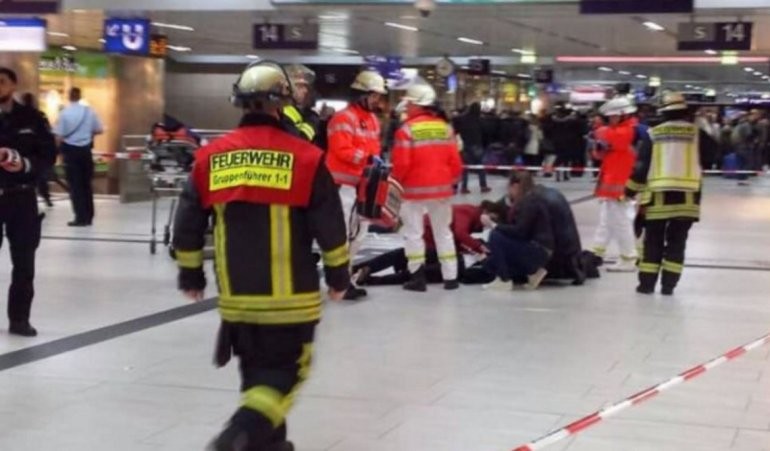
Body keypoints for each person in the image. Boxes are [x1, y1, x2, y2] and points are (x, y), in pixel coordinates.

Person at [171, 61, 350, 451]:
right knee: (283, 378)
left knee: (256, 376)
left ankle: (271, 444)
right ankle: (235, 439)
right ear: (282, 103)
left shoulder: (210, 158)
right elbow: (331, 228)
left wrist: (191, 276)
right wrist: (339, 277)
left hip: (237, 304)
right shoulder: (304, 158)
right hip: (291, 303)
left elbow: (185, 225)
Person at [626, 92, 703, 296]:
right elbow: (714, 154)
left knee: (653, 241)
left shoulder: (653, 134)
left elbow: (641, 167)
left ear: (663, 113)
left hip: (658, 198)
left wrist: (630, 190)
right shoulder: (696, 133)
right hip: (688, 198)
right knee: (677, 242)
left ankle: (646, 285)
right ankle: (669, 286)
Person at [391, 79, 463, 292]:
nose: (407, 107)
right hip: (441, 191)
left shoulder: (406, 130)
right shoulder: (446, 129)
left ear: (417, 105)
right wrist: (449, 181)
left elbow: (401, 164)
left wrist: (396, 183)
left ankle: (417, 278)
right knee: (444, 232)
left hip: (412, 192)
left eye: (409, 103)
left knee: (413, 233)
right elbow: (456, 163)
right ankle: (451, 278)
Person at [0, 68, 56, 337]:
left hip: (21, 197)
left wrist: (24, 164)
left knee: (24, 262)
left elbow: (48, 157)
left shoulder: (33, 118)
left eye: (2, 82)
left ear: (13, 85)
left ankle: (19, 318)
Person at [325, 69, 387, 300]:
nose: (376, 100)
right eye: (373, 96)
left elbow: (375, 149)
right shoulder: (343, 118)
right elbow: (341, 150)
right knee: (344, 235)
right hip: (344, 187)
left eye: (378, 96)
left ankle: (344, 279)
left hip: (363, 186)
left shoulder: (371, 120)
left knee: (359, 234)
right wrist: (367, 158)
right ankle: (339, 282)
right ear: (361, 94)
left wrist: (375, 165)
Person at [352, 203, 494, 286]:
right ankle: (367, 277)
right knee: (411, 266)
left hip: (436, 244)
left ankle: (360, 271)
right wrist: (479, 248)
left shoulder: (468, 215)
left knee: (406, 260)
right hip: (432, 241)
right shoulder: (469, 212)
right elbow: (459, 233)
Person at [589, 97, 639, 272]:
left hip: (621, 184)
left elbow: (612, 138)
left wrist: (598, 132)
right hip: (612, 182)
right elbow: (600, 155)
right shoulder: (617, 130)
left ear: (623, 114)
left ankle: (629, 257)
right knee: (608, 219)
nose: (610, 120)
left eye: (613, 117)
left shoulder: (629, 130)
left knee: (620, 221)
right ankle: (597, 253)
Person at [482, 171, 553, 290]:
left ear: (515, 187)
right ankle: (533, 273)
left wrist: (494, 225)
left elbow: (520, 231)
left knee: (495, 236)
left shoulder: (528, 203)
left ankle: (504, 280)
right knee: (491, 264)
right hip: (542, 249)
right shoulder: (532, 198)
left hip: (538, 250)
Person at [53, 87, 103, 226]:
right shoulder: (89, 111)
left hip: (70, 152)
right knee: (86, 184)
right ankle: (89, 215)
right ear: (80, 96)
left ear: (69, 97)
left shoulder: (64, 113)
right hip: (86, 152)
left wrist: (56, 152)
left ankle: (80, 217)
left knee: (75, 186)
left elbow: (58, 135)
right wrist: (86, 134)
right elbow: (99, 129)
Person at [21, 93, 61, 208]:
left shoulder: (17, 116)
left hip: (26, 151)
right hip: (37, 151)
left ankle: (27, 198)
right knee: (40, 176)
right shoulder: (39, 115)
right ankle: (45, 196)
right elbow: (47, 132)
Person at [457, 103, 490, 194]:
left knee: (465, 167)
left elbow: (457, 129)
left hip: (465, 144)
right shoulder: (480, 119)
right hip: (477, 144)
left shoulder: (462, 119)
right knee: (480, 166)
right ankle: (483, 186)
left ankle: (464, 187)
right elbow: (485, 132)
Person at [283, 64, 318, 142]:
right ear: (287, 87)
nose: (305, 91)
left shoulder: (294, 111)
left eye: (306, 86)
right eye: (300, 86)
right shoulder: (281, 113)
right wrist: (313, 120)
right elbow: (299, 142)